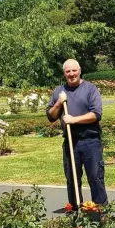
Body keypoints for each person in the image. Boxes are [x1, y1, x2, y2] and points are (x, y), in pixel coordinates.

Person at [46, 59, 108, 211]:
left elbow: (96, 114)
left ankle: (100, 214)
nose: (71, 74)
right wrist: (59, 103)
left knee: (95, 178)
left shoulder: (90, 89)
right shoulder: (59, 92)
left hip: (90, 142)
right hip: (70, 142)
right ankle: (75, 212)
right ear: (64, 73)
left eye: (74, 71)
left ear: (80, 70)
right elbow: (51, 116)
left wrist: (74, 120)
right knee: (72, 179)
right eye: (68, 71)